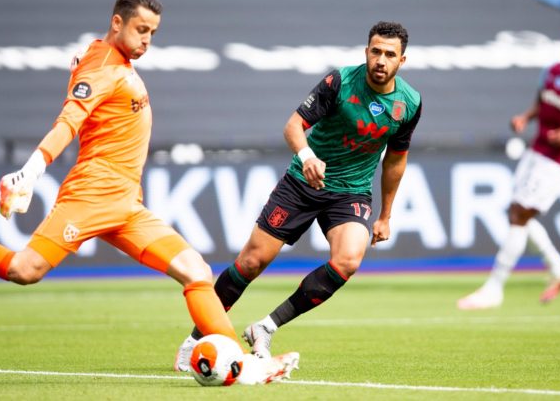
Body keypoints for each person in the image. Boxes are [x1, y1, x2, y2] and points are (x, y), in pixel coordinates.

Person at [0, 0, 297, 384]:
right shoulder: (104, 67)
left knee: (196, 271)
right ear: (117, 22)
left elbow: (86, 72)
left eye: (153, 33)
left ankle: (243, 365)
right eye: (141, 29)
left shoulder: (105, 58)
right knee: (24, 270)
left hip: (126, 204)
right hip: (91, 196)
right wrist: (30, 172)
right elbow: (69, 121)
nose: (147, 40)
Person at [173, 21, 422, 371]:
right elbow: (293, 126)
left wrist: (386, 215)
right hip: (302, 183)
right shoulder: (340, 82)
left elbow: (395, 160)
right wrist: (307, 157)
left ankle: (265, 327)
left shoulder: (409, 103)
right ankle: (194, 340)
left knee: (348, 260)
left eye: (390, 55)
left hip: (351, 192)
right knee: (251, 262)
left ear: (402, 60)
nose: (381, 60)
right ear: (366, 52)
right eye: (376, 52)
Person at [457, 24, 560, 310]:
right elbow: (541, 103)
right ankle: (558, 267)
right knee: (518, 212)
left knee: (520, 215)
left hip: (559, 158)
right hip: (537, 148)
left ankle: (495, 288)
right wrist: (525, 117)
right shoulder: (552, 70)